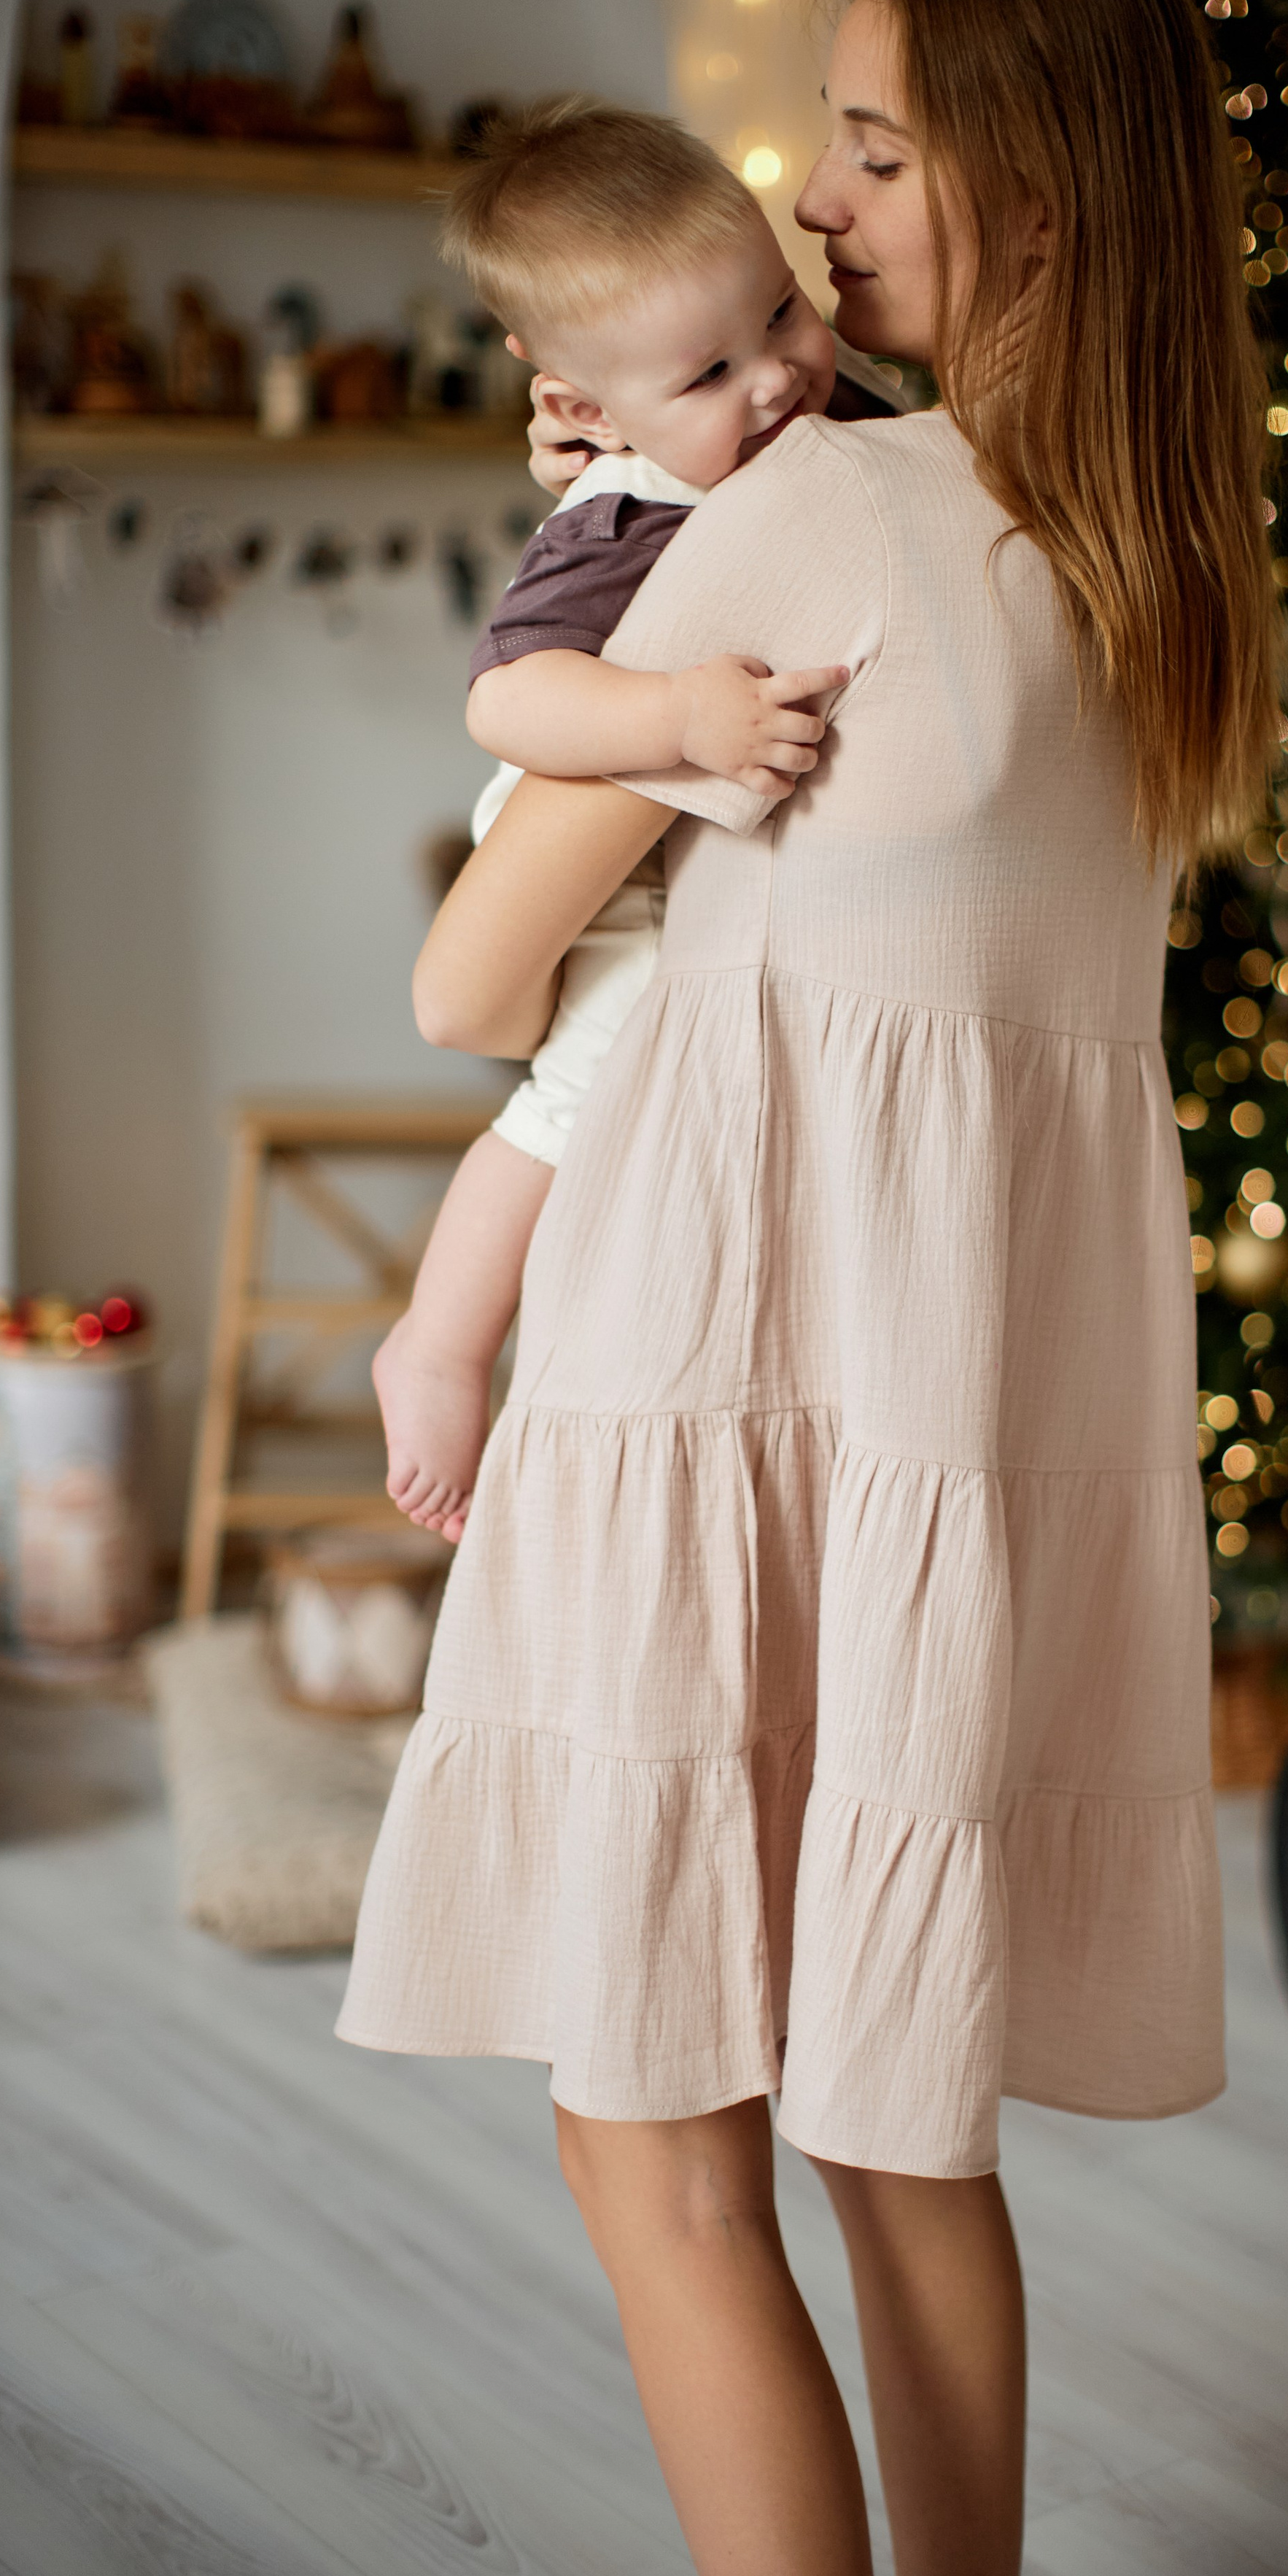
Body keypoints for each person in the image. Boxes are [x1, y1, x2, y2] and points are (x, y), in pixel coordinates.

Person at [338, 0, 1275, 2576]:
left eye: (872, 149)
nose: (817, 204)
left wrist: (642, 535)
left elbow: (468, 972)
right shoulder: (1158, 569)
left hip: (715, 1381)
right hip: (959, 1434)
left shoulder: (824, 516)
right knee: (903, 2123)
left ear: (1039, 203)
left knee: (657, 2147)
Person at [375, 99, 897, 1539]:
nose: (781, 378)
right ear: (585, 411)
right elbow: (508, 699)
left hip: (669, 820)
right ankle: (437, 1337)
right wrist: (673, 720)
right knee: (583, 1084)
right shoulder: (620, 514)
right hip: (594, 809)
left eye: (782, 313)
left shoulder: (809, 422)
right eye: (711, 371)